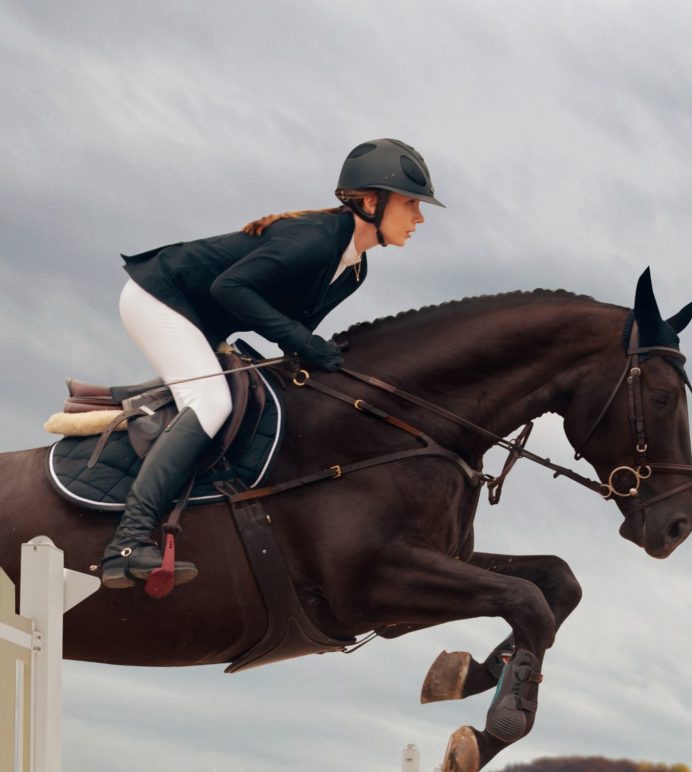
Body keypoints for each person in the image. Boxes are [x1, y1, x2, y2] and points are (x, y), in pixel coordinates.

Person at [100, 138, 445, 589]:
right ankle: (126, 543)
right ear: (369, 202)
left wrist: (313, 354)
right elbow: (232, 289)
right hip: (160, 297)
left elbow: (287, 329)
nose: (418, 218)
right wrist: (305, 341)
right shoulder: (318, 239)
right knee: (209, 403)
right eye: (411, 204)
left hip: (200, 319)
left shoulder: (354, 270)